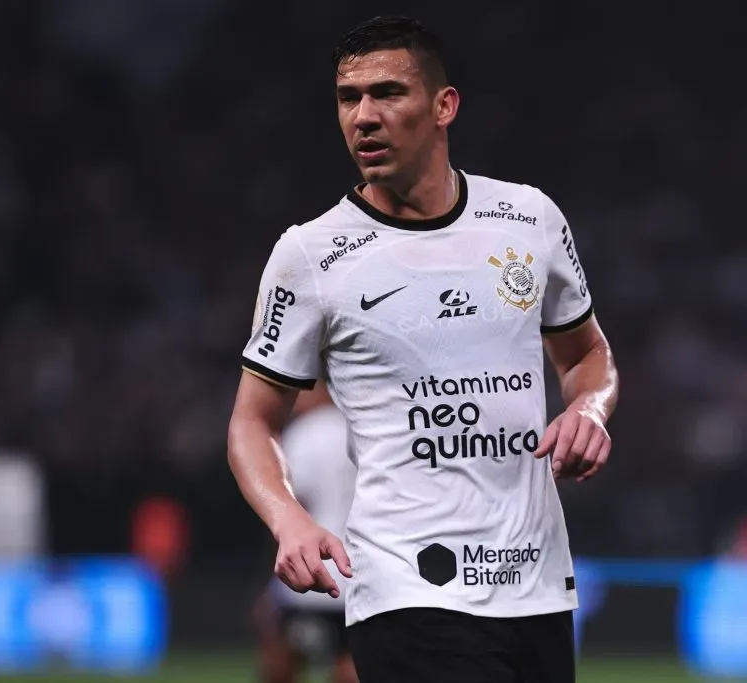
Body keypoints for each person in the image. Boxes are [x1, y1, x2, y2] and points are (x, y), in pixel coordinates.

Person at [227, 15, 619, 683]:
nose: (364, 117)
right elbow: (251, 420)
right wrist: (287, 516)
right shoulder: (311, 255)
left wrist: (592, 410)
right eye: (349, 98)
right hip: (408, 585)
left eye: (387, 93)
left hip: (537, 582)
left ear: (444, 106)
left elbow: (588, 359)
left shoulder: (529, 220)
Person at [252, 383, 358, 683]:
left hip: (312, 572)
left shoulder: (306, 432)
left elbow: (291, 508)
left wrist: (271, 585)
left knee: (281, 659)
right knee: (352, 665)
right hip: (359, 574)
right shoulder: (361, 427)